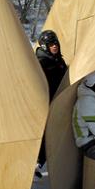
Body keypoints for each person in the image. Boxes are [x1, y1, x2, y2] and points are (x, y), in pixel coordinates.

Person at [35, 30, 68, 177]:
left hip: (56, 102)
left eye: (56, 43)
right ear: (44, 46)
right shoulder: (40, 62)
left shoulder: (58, 60)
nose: (55, 46)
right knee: (42, 134)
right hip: (44, 103)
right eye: (51, 44)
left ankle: (41, 161)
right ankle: (37, 162)